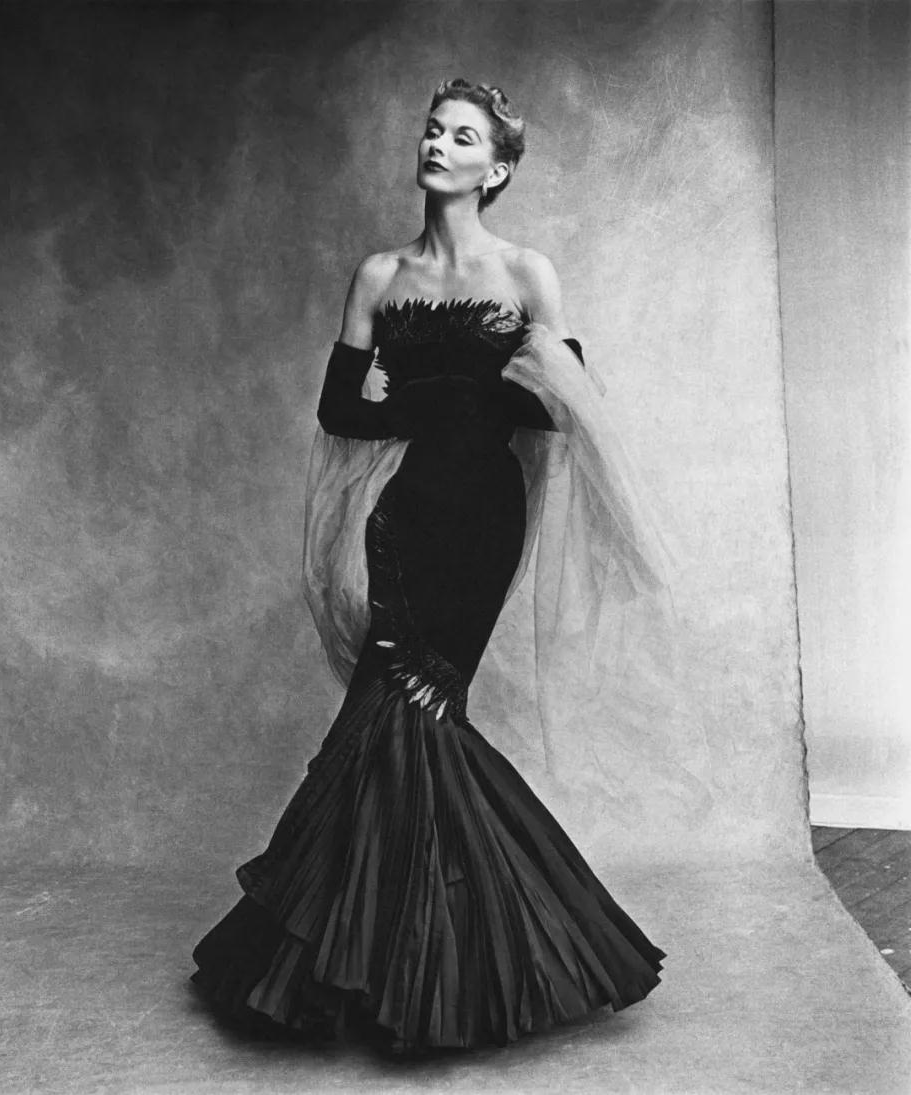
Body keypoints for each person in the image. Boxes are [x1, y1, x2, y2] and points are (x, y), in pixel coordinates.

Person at [190, 78, 671, 1056]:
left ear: (497, 169)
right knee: (393, 716)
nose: (438, 144)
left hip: (484, 519)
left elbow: (559, 411)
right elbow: (340, 411)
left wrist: (495, 388)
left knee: (422, 708)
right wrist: (434, 400)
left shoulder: (527, 271)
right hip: (402, 517)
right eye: (432, 129)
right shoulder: (379, 275)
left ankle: (412, 962)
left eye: (463, 137)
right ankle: (405, 967)